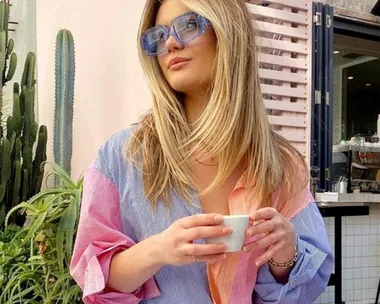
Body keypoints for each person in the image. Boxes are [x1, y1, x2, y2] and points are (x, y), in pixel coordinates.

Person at [70, 0, 333, 303]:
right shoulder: (121, 157)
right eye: (159, 35)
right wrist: (158, 250)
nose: (170, 43)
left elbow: (308, 283)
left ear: (228, 32)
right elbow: (96, 282)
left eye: (189, 24)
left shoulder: (279, 164)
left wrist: (285, 254)